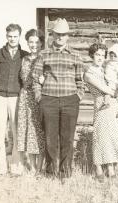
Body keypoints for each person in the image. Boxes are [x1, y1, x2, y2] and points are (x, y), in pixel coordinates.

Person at [32, 18, 84, 178]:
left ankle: (65, 172)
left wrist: (78, 96)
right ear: (53, 35)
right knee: (50, 137)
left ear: (68, 36)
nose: (60, 37)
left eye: (63, 35)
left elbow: (80, 80)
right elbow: (36, 77)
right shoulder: (43, 54)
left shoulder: (76, 55)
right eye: (57, 34)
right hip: (49, 100)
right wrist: (39, 96)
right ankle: (50, 172)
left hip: (70, 100)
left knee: (67, 138)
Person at [83, 43, 118, 182]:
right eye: (97, 54)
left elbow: (117, 81)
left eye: (102, 55)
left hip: (113, 104)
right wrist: (117, 92)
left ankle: (110, 168)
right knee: (100, 136)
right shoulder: (88, 73)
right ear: (92, 55)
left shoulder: (106, 70)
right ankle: (98, 167)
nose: (100, 58)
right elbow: (105, 89)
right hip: (101, 105)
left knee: (111, 136)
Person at [0, 23, 28, 175]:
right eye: (10, 36)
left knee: (17, 133)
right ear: (6, 36)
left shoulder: (24, 56)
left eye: (15, 36)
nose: (12, 39)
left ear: (19, 37)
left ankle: (16, 168)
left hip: (16, 98)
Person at [17, 29, 45, 175]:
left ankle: (39, 168)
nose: (34, 45)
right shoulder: (24, 59)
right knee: (27, 132)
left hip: (39, 98)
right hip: (25, 99)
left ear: (41, 43)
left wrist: (44, 81)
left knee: (38, 132)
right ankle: (31, 167)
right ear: (27, 43)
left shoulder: (44, 58)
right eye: (31, 42)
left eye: (37, 42)